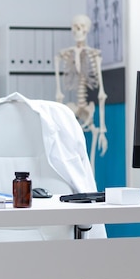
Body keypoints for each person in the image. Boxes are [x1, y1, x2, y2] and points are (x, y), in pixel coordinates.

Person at [54, 14, 108, 170]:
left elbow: (101, 94)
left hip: (86, 109)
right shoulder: (63, 55)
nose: (78, 30)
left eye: (81, 26)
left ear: (87, 30)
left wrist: (103, 130)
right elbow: (59, 94)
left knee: (92, 135)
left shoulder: (94, 54)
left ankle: (90, 183)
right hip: (72, 108)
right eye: (75, 26)